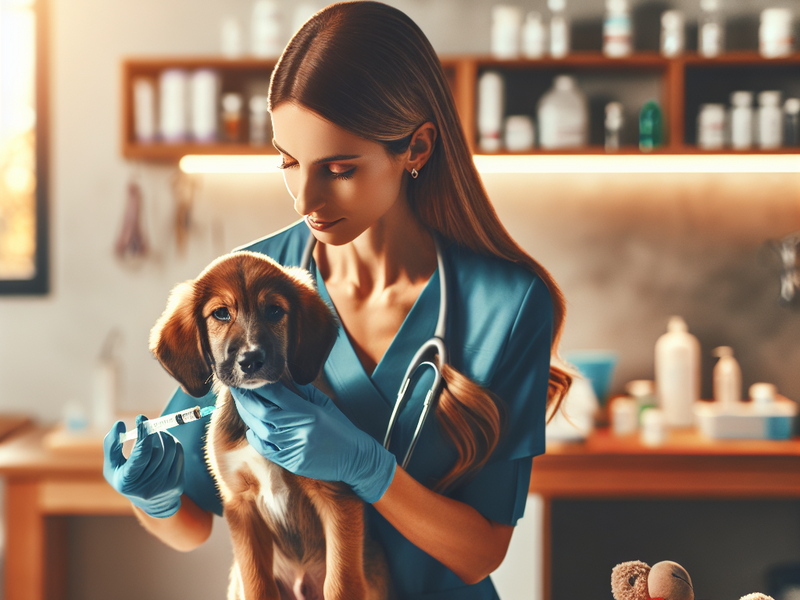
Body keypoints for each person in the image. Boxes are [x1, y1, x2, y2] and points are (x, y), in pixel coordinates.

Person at [103, 2, 572, 598]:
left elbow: (481, 553)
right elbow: (194, 523)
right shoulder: (249, 283)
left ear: (417, 149)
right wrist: (153, 494)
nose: (306, 198)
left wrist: (368, 469)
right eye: (289, 161)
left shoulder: (504, 306)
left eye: (340, 167)